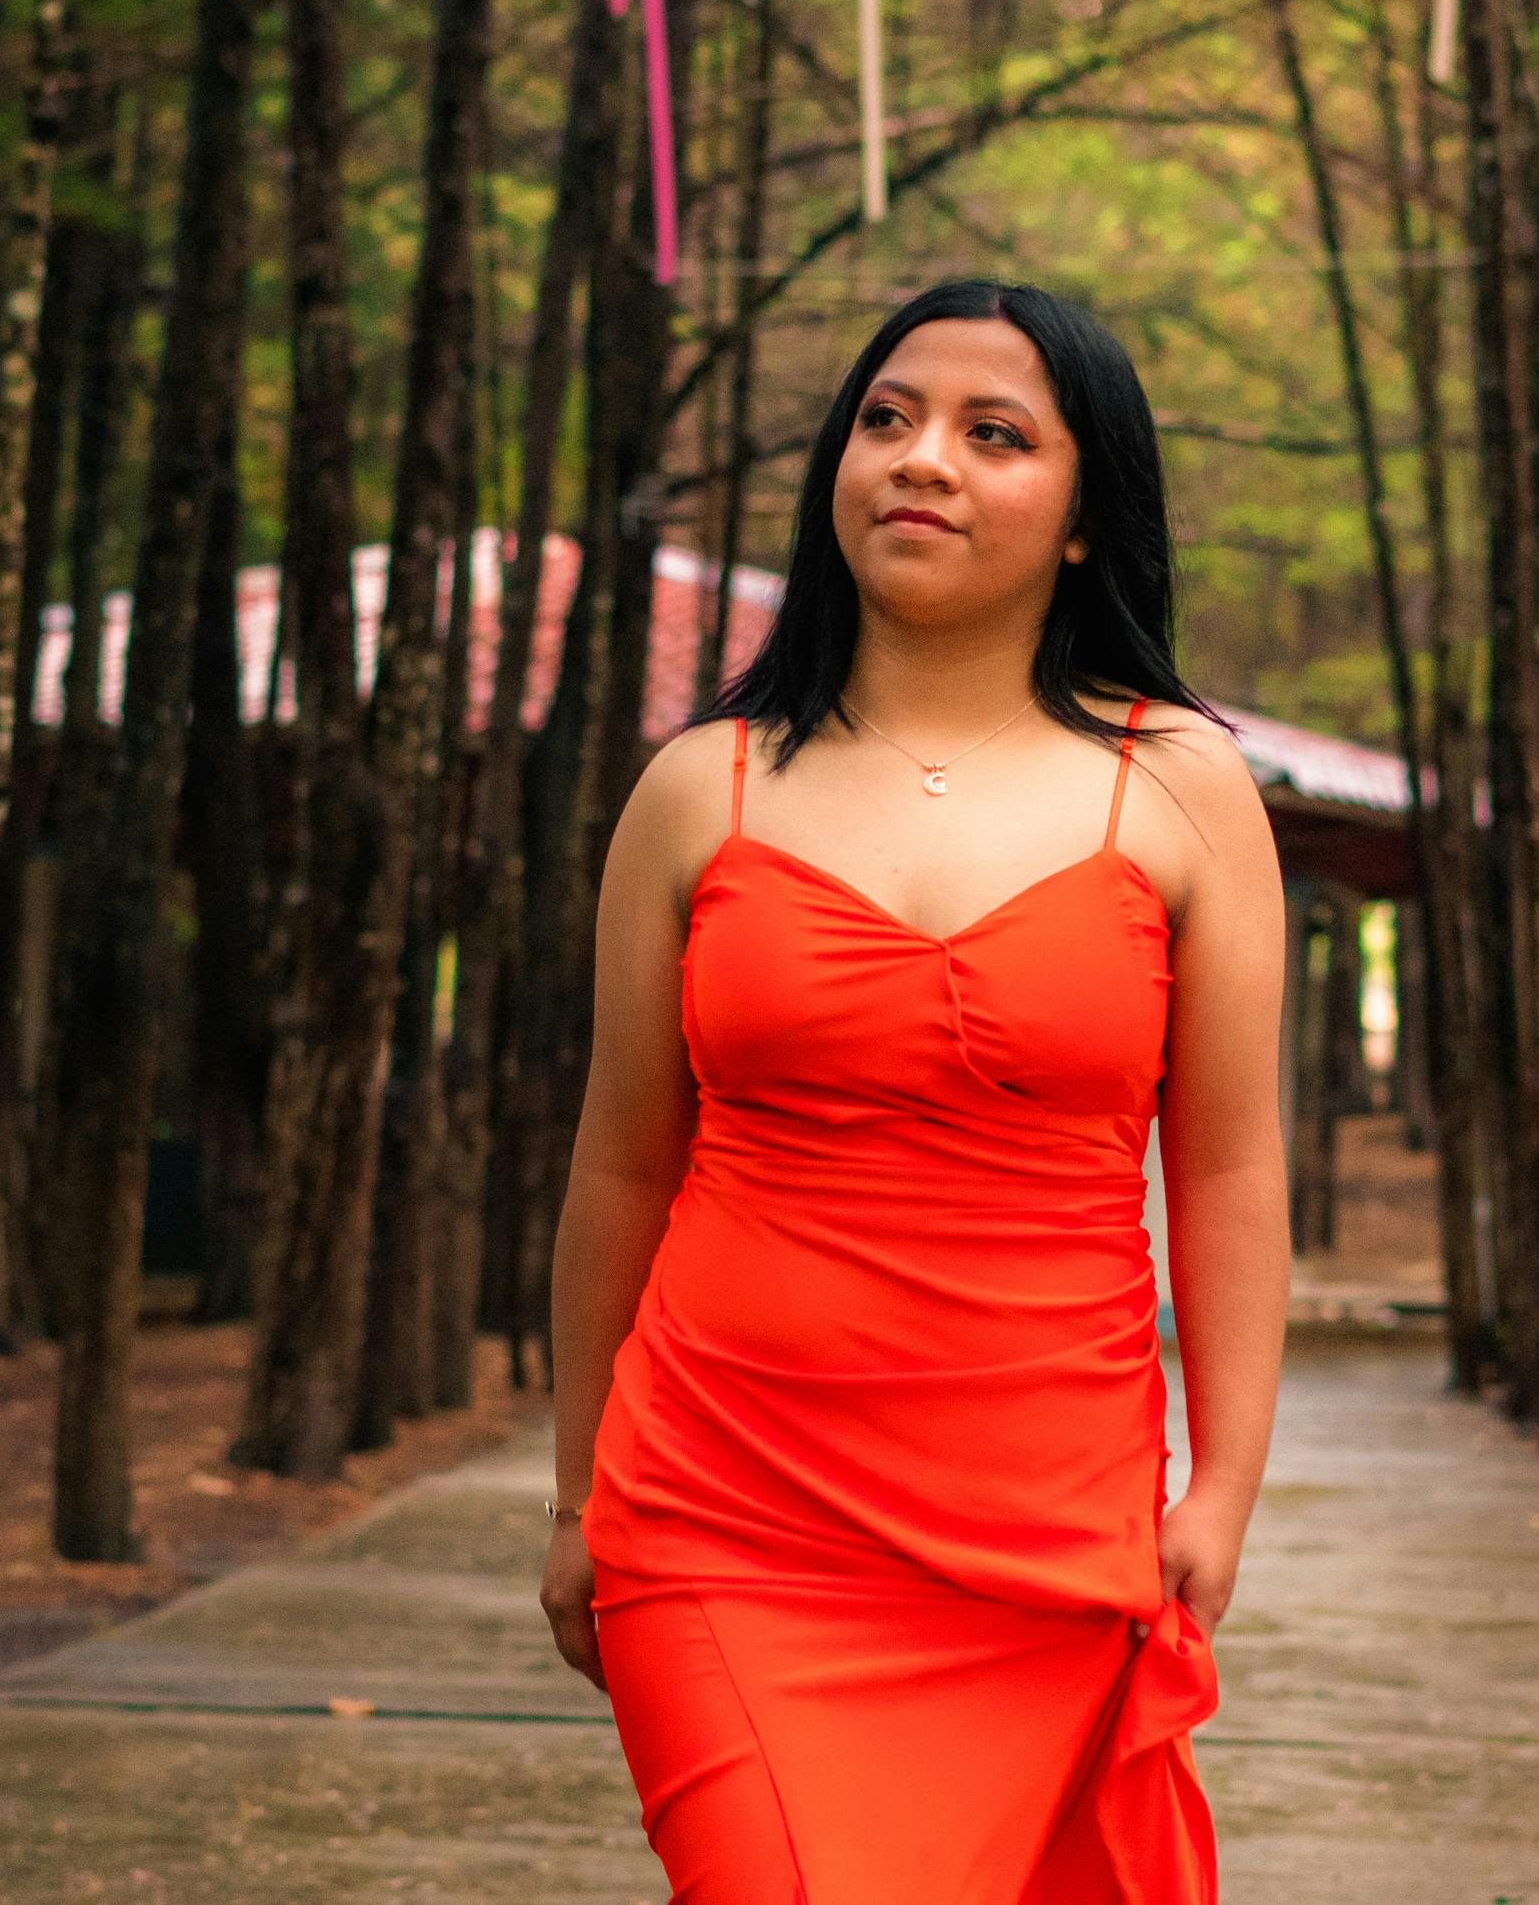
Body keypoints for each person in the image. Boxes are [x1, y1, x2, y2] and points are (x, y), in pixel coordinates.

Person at [539, 276, 1290, 1901]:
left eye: (991, 432)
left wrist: (1223, 1485)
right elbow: (617, 1169)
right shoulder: (698, 790)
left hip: (1047, 1531)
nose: (919, 458)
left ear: (1087, 516)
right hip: (720, 1505)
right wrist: (576, 1489)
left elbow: (1228, 1169)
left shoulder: (1184, 789)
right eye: (885, 419)